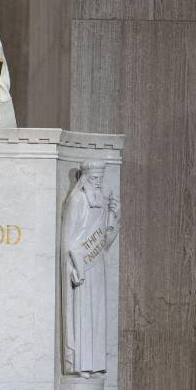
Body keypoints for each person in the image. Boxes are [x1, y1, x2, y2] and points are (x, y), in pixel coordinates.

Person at [61, 160, 120, 376]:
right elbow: (69, 240)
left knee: (96, 315)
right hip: (81, 267)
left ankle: (95, 364)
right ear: (85, 179)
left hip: (98, 267)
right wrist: (78, 266)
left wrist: (114, 217)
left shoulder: (102, 203)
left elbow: (105, 242)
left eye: (100, 180)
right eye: (94, 179)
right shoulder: (76, 200)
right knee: (83, 313)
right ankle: (81, 364)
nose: (98, 184)